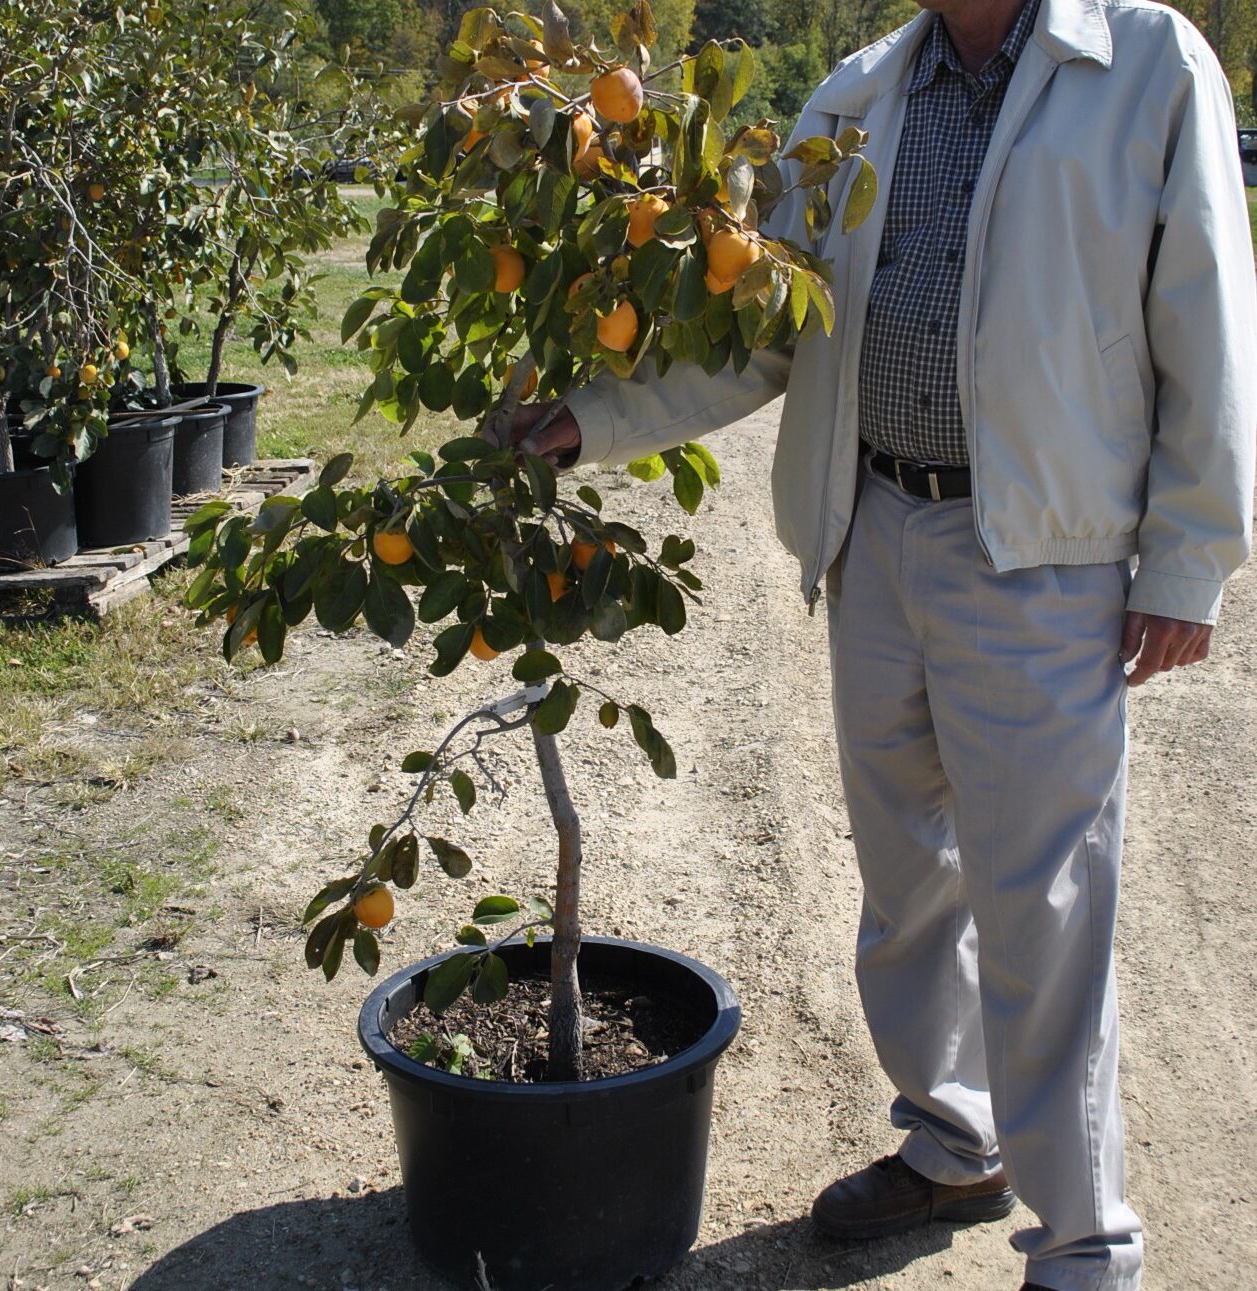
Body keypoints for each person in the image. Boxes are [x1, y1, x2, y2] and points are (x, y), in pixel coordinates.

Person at [502, 0, 1257, 1286]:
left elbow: (1206, 314)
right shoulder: (854, 94)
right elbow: (763, 326)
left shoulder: (1141, 63)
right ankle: (953, 1140)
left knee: (1042, 904)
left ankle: (1084, 1244)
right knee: (907, 879)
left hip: (1037, 553)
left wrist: (1186, 559)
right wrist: (590, 419)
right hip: (876, 532)